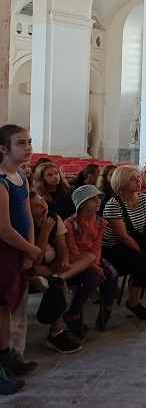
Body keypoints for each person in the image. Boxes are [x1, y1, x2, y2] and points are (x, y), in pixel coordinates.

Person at [0, 125, 42, 394]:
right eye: (20, 143)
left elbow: (27, 216)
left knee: (5, 306)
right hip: (4, 250)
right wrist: (30, 249)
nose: (28, 147)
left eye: (29, 142)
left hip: (19, 250)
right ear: (3, 149)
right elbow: (4, 229)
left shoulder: (21, 177)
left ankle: (6, 358)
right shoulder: (0, 181)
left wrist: (30, 249)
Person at [29, 191, 91, 353]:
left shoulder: (54, 218)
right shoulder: (27, 223)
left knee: (89, 257)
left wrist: (64, 260)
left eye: (42, 201)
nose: (43, 206)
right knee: (55, 286)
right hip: (36, 265)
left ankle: (58, 277)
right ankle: (56, 333)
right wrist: (44, 232)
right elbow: (37, 259)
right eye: (36, 205)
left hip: (54, 264)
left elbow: (62, 247)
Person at [101, 165, 146, 321]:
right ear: (122, 183)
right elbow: (122, 237)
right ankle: (133, 302)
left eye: (138, 177)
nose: (138, 180)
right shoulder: (113, 205)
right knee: (142, 262)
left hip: (136, 239)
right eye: (132, 178)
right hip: (113, 245)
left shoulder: (144, 198)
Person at [64, 185, 119, 333]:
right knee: (92, 281)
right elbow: (73, 251)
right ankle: (71, 314)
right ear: (81, 204)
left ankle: (106, 310)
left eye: (98, 198)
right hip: (76, 260)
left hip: (93, 258)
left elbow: (97, 245)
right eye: (92, 199)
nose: (98, 201)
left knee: (112, 275)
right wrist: (93, 267)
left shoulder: (101, 222)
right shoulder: (70, 223)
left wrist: (95, 263)